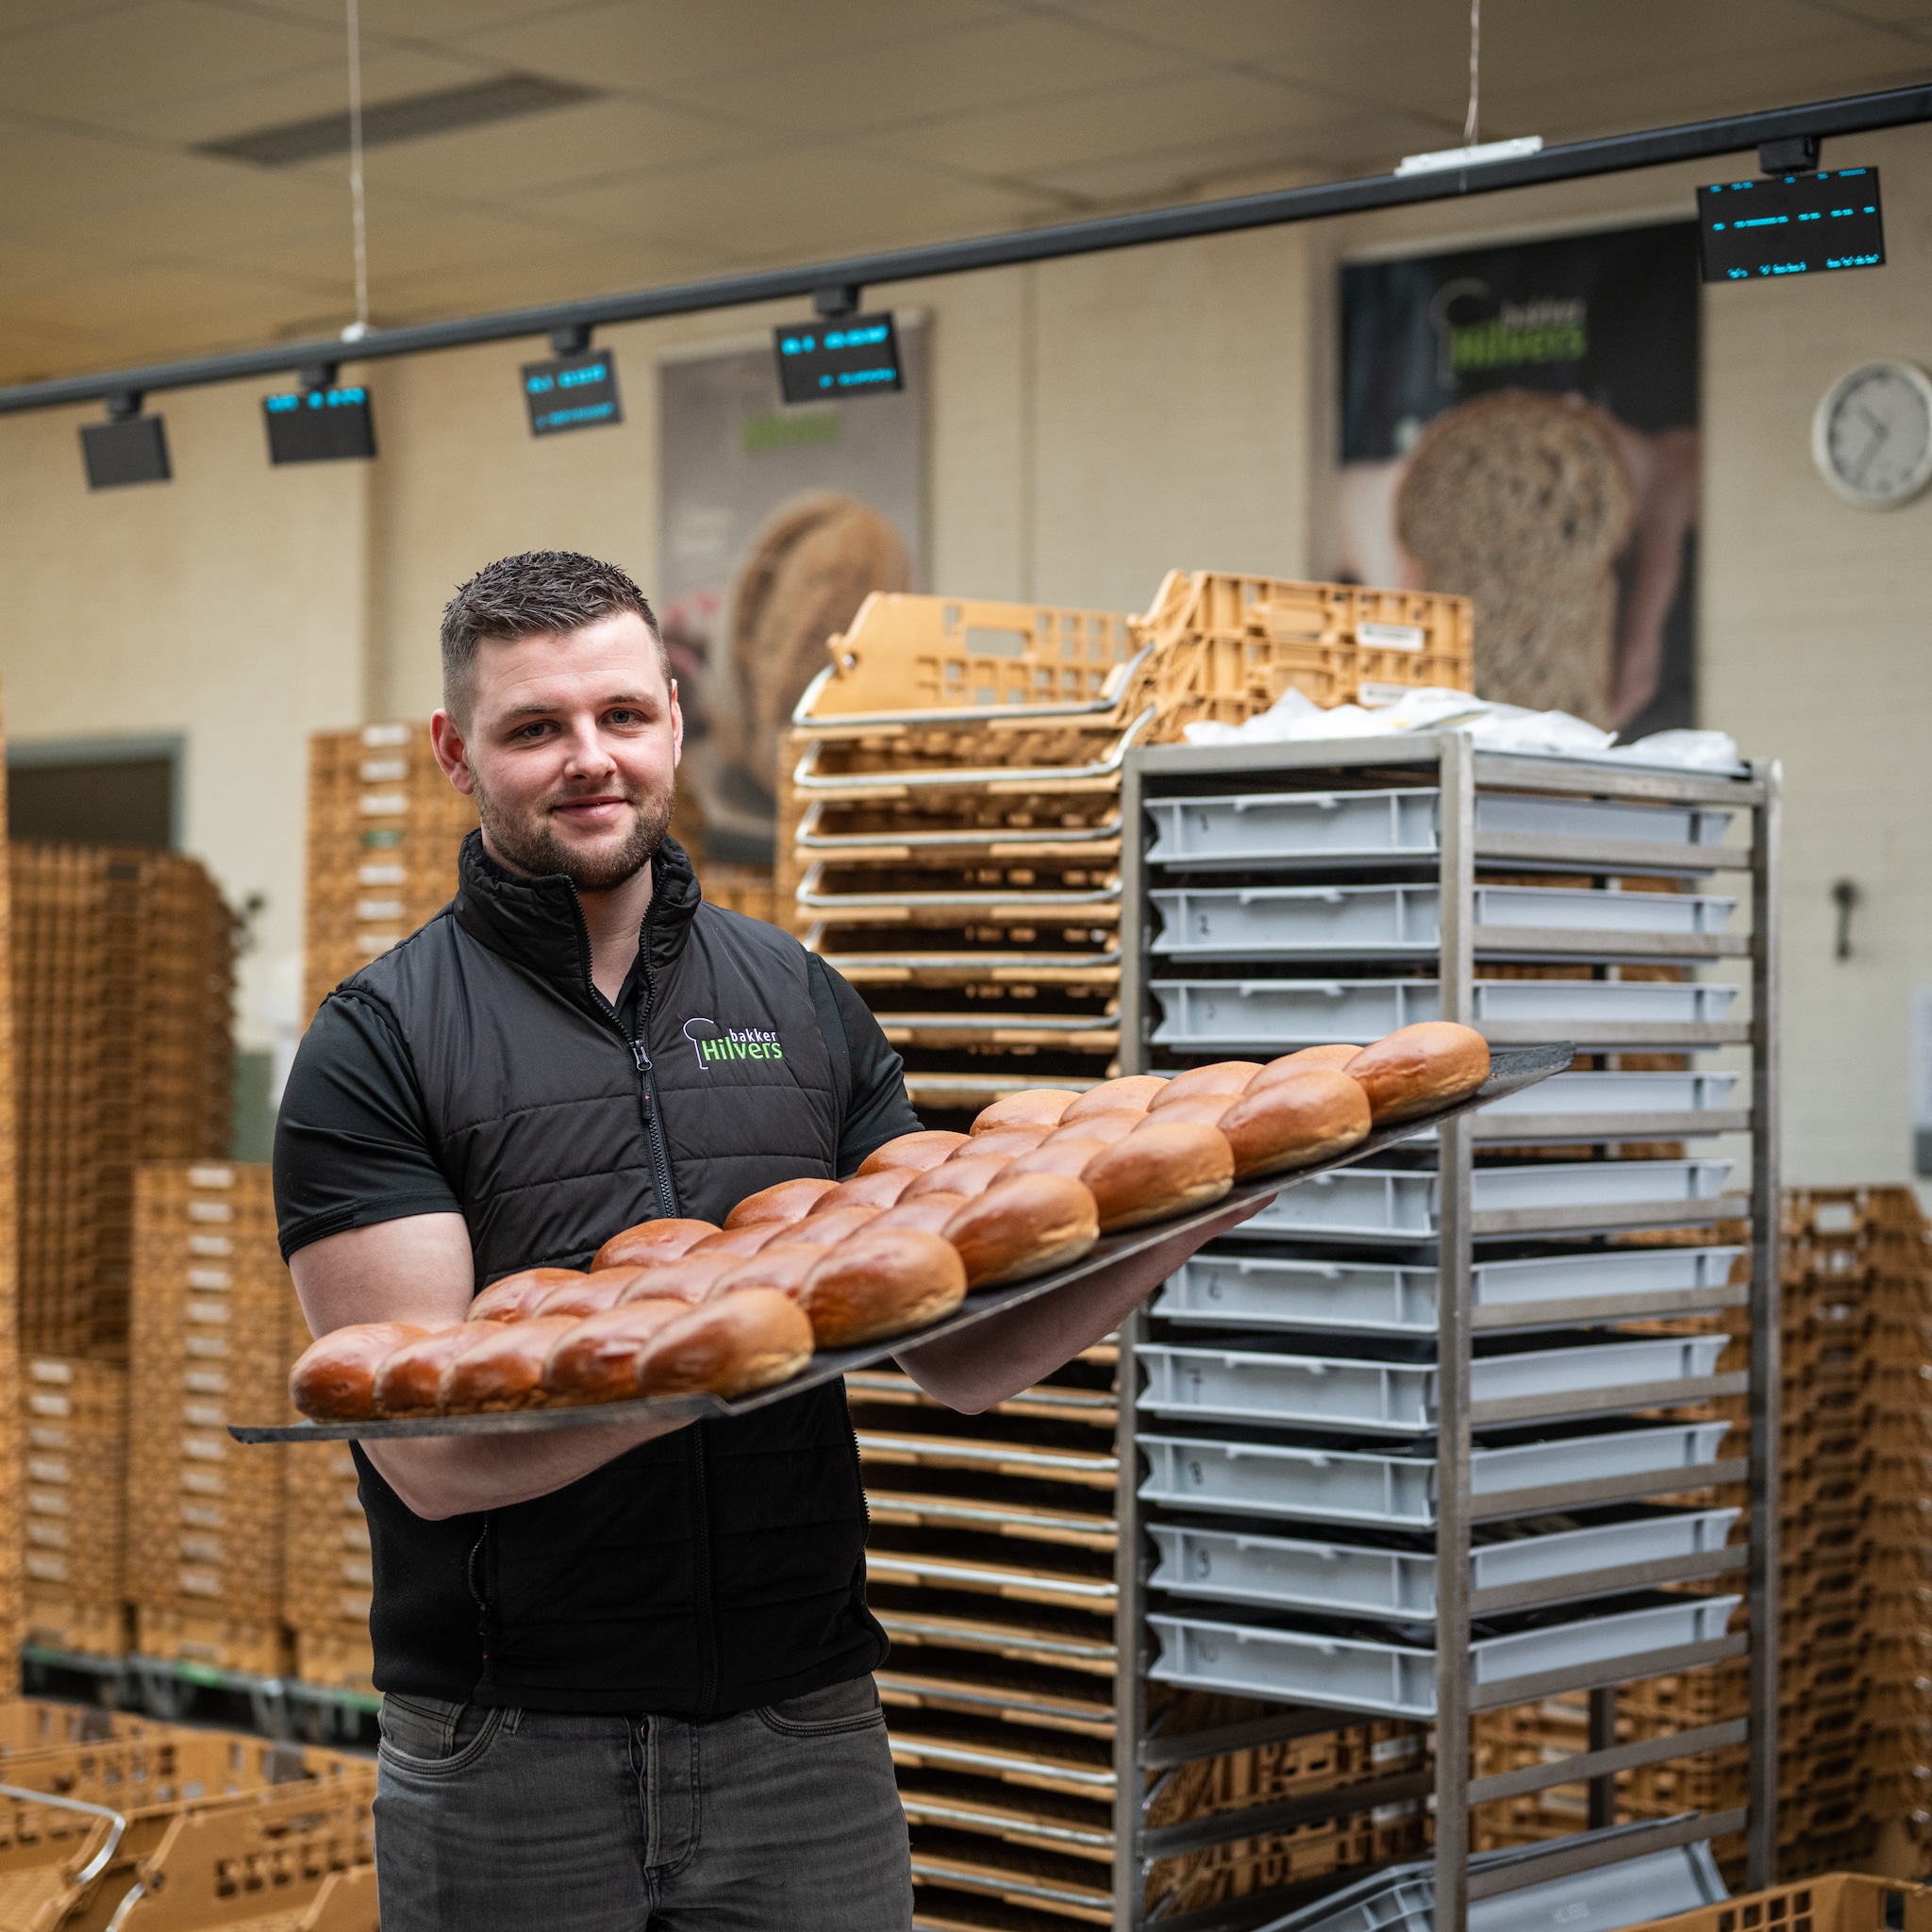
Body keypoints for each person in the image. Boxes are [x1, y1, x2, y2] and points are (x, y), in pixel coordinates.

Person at [274, 550, 1245, 1931]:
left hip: (802, 1734)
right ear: (456, 752)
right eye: (534, 729)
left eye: (619, 716)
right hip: (510, 1752)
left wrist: (1196, 1205)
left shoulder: (799, 1003)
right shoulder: (377, 1044)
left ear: (674, 717)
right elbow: (431, 1455)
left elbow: (959, 1362)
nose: (588, 761)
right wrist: (724, 1366)